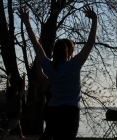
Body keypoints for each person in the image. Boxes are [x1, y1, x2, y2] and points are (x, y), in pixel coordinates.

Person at [18, 5, 98, 139]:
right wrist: (94, 19)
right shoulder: (74, 64)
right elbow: (90, 43)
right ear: (68, 52)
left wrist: (27, 22)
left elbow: (36, 45)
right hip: (70, 112)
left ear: (54, 52)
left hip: (53, 110)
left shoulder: (50, 67)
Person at [38, 39, 75, 140]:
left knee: (49, 133)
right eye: (72, 50)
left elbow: (42, 78)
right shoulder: (68, 70)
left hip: (51, 109)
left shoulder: (53, 68)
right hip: (58, 109)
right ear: (68, 51)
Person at [0, 73, 26, 140]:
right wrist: (24, 78)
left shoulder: (8, 96)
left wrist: (8, 79)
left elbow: (8, 87)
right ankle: (1, 137)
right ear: (16, 91)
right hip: (15, 114)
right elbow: (23, 88)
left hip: (10, 114)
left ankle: (21, 135)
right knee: (9, 128)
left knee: (18, 123)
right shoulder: (18, 97)